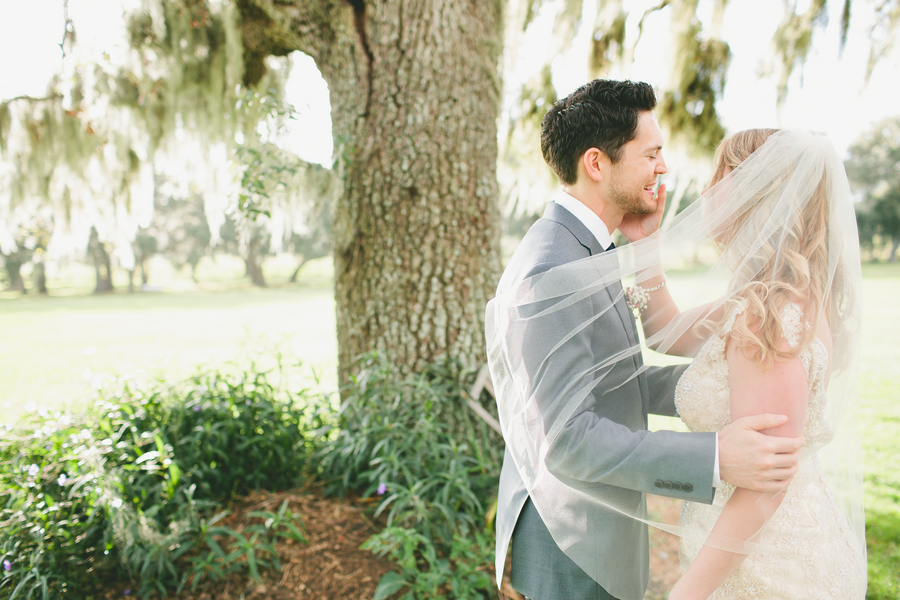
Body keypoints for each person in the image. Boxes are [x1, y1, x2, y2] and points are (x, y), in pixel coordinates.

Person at [485, 80, 806, 600]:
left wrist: (732, 382)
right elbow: (568, 439)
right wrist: (714, 457)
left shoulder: (588, 248)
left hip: (597, 524)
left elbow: (615, 379)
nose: (663, 167)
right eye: (652, 153)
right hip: (570, 537)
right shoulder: (552, 266)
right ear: (597, 163)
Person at [620, 129, 867, 599]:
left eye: (720, 177)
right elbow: (665, 330)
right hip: (767, 547)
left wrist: (686, 593)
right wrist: (644, 244)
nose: (706, 190)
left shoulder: (768, 310)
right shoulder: (777, 294)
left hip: (768, 566)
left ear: (758, 193)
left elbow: (764, 485)